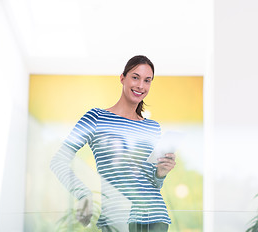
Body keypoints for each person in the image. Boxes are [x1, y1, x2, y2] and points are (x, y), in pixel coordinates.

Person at [50, 55, 176, 232]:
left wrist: (161, 174)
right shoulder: (95, 118)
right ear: (122, 78)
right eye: (135, 77)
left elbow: (152, 183)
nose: (141, 85)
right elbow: (58, 161)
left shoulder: (152, 127)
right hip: (117, 217)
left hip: (156, 217)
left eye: (147, 80)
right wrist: (84, 194)